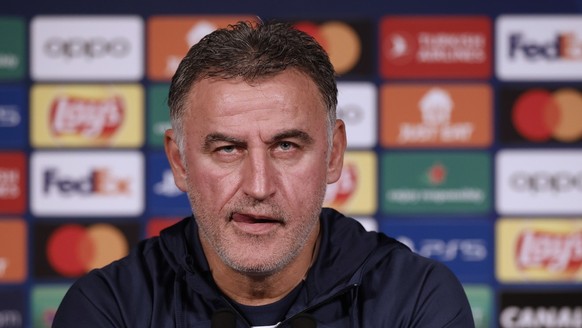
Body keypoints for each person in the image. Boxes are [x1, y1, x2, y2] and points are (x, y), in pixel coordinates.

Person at [53, 20, 475, 327]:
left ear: (333, 155)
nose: (259, 186)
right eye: (228, 149)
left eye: (286, 146)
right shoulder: (108, 309)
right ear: (179, 162)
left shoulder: (418, 299)